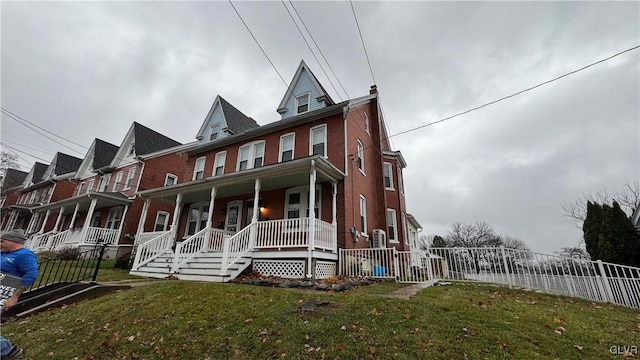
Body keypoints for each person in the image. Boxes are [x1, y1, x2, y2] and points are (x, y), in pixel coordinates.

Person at [0, 229, 38, 359]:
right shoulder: (3, 254)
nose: (0, 243)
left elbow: (31, 274)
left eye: (2, 241)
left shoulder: (24, 255)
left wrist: (14, 296)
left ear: (13, 241)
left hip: (4, 293)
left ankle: (7, 350)